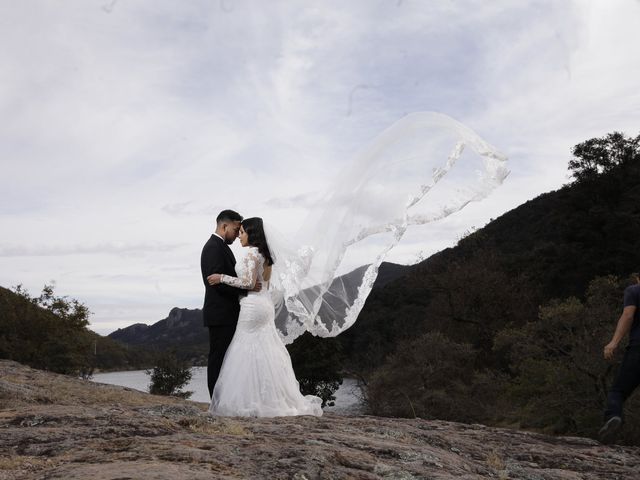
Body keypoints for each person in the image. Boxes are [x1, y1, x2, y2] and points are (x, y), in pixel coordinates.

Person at [206, 217, 323, 417]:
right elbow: (259, 283)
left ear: (252, 234)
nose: (240, 236)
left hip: (253, 306)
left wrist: (221, 277)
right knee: (266, 348)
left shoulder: (251, 254)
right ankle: (272, 398)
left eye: (242, 232)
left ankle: (251, 401)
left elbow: (249, 283)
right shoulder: (266, 255)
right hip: (265, 305)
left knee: (245, 350)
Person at [200, 209, 246, 398]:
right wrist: (246, 290)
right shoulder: (213, 247)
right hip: (221, 314)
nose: (237, 235)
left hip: (226, 313)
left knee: (227, 359)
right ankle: (216, 401)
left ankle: (224, 399)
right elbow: (216, 283)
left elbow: (224, 279)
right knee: (218, 359)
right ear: (224, 226)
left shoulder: (221, 247)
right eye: (236, 230)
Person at [599, 273, 640, 444]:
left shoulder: (634, 290)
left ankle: (614, 417)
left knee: (618, 391)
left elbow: (628, 315)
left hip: (638, 348)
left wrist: (614, 342)